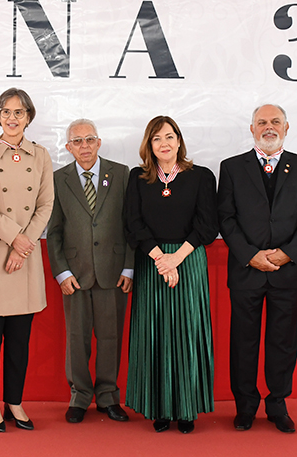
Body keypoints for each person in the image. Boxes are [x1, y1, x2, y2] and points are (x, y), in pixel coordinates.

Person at [218, 104, 297, 434]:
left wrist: (286, 254)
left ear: (287, 127)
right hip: (247, 269)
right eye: (261, 122)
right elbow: (226, 218)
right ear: (251, 129)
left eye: (275, 121)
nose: (268, 126)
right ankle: (246, 406)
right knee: (243, 342)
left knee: (282, 341)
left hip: (287, 271)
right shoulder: (232, 167)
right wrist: (250, 255)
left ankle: (277, 403)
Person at [0, 88, 54, 432]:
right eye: (6, 112)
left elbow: (45, 204)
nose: (12, 118)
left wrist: (24, 244)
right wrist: (14, 238)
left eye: (19, 113)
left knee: (19, 338)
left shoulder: (41, 155)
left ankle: (14, 400)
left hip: (24, 257)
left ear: (28, 117)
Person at [124, 115, 217, 435]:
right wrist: (161, 260)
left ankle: (187, 409)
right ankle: (159, 408)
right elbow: (133, 224)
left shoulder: (201, 177)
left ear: (179, 140)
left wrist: (175, 259)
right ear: (149, 145)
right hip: (152, 263)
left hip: (188, 262)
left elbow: (207, 225)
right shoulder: (137, 178)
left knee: (187, 333)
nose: (164, 143)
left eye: (169, 137)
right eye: (157, 138)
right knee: (155, 333)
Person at [46, 118, 133, 424]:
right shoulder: (58, 179)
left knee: (111, 337)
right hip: (76, 273)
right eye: (77, 141)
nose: (84, 146)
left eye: (89, 139)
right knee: (77, 337)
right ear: (69, 147)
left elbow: (130, 224)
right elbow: (54, 231)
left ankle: (108, 396)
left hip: (113, 271)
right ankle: (80, 397)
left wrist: (129, 267)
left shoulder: (121, 174)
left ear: (99, 142)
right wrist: (61, 272)